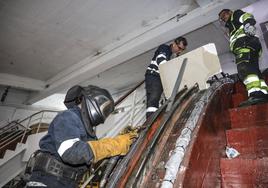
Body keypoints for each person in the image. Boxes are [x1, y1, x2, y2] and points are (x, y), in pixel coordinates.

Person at [26, 85, 138, 188]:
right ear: (93, 101)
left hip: (68, 183)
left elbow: (93, 155)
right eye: (104, 108)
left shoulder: (88, 132)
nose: (104, 115)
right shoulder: (68, 116)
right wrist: (113, 145)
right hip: (48, 181)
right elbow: (71, 153)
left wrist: (121, 141)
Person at [219, 9, 268, 107]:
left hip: (245, 44)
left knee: (244, 68)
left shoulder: (236, 15)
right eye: (221, 18)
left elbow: (246, 16)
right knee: (254, 70)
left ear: (230, 12)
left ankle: (256, 94)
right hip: (251, 45)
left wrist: (248, 25)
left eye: (224, 14)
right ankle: (263, 94)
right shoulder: (232, 27)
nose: (223, 18)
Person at [145, 37, 187, 118]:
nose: (180, 51)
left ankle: (151, 119)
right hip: (154, 76)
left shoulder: (171, 55)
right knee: (154, 98)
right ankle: (151, 121)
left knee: (154, 100)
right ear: (174, 44)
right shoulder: (164, 48)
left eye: (182, 50)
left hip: (159, 78)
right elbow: (161, 61)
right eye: (179, 48)